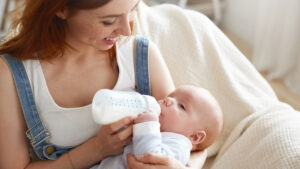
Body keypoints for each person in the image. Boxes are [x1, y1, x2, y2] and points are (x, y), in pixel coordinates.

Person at [0, 0, 186, 168]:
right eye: (109, 21)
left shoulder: (141, 56)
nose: (126, 30)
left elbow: (191, 136)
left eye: (132, 10)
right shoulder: (12, 74)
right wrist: (97, 149)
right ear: (61, 8)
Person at [91, 85, 224, 169]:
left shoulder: (179, 145)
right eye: (171, 96)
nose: (167, 100)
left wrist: (148, 125)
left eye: (181, 106)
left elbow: (149, 159)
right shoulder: (156, 131)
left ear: (195, 136)